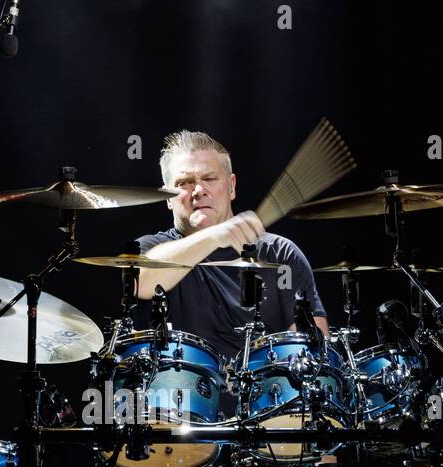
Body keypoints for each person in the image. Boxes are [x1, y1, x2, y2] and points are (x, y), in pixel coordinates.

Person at [133, 128, 329, 355]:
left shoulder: (280, 253)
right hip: (180, 389)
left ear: (232, 186)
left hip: (264, 390)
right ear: (167, 197)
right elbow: (141, 281)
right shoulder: (152, 249)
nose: (198, 190)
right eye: (184, 182)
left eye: (209, 178)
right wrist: (214, 236)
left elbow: (313, 350)